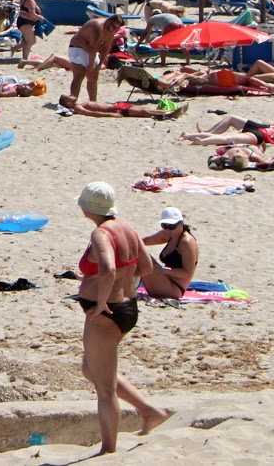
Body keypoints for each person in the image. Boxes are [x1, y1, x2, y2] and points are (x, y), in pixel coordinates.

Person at [73, 182, 170, 453]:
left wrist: (102, 300)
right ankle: (148, 410)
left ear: (88, 207)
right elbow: (147, 266)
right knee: (91, 369)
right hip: (128, 308)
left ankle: (108, 450)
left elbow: (107, 270)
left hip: (106, 312)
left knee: (104, 390)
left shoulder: (100, 234)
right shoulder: (128, 228)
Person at [140, 207, 198, 302]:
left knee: (143, 258)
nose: (168, 229)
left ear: (181, 223)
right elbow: (143, 241)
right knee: (139, 252)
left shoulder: (186, 242)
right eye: (164, 225)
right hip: (165, 281)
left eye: (171, 226)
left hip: (175, 288)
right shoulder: (169, 234)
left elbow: (187, 273)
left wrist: (162, 270)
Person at [66, 12, 126, 103]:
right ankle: (72, 102)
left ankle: (93, 102)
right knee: (79, 76)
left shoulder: (111, 30)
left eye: (116, 28)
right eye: (113, 27)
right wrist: (90, 65)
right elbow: (92, 47)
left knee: (93, 78)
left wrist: (100, 63)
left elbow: (106, 47)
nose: (113, 30)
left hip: (90, 51)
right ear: (108, 21)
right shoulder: (97, 27)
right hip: (78, 47)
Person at [178, 114, 274, 147]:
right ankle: (201, 140)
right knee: (228, 138)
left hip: (262, 128)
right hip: (261, 135)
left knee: (229, 135)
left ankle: (190, 135)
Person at [59, 94, 185, 119]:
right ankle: (170, 113)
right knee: (143, 111)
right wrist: (111, 114)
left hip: (116, 106)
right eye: (69, 97)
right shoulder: (77, 108)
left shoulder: (79, 104)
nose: (72, 95)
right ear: (68, 103)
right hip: (115, 109)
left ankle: (169, 111)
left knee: (143, 110)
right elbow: (92, 113)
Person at [17, 0, 45, 66]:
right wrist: (40, 18)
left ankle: (17, 51)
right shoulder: (30, 0)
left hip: (23, 22)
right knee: (30, 41)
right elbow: (32, 14)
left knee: (27, 41)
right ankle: (24, 60)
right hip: (25, 23)